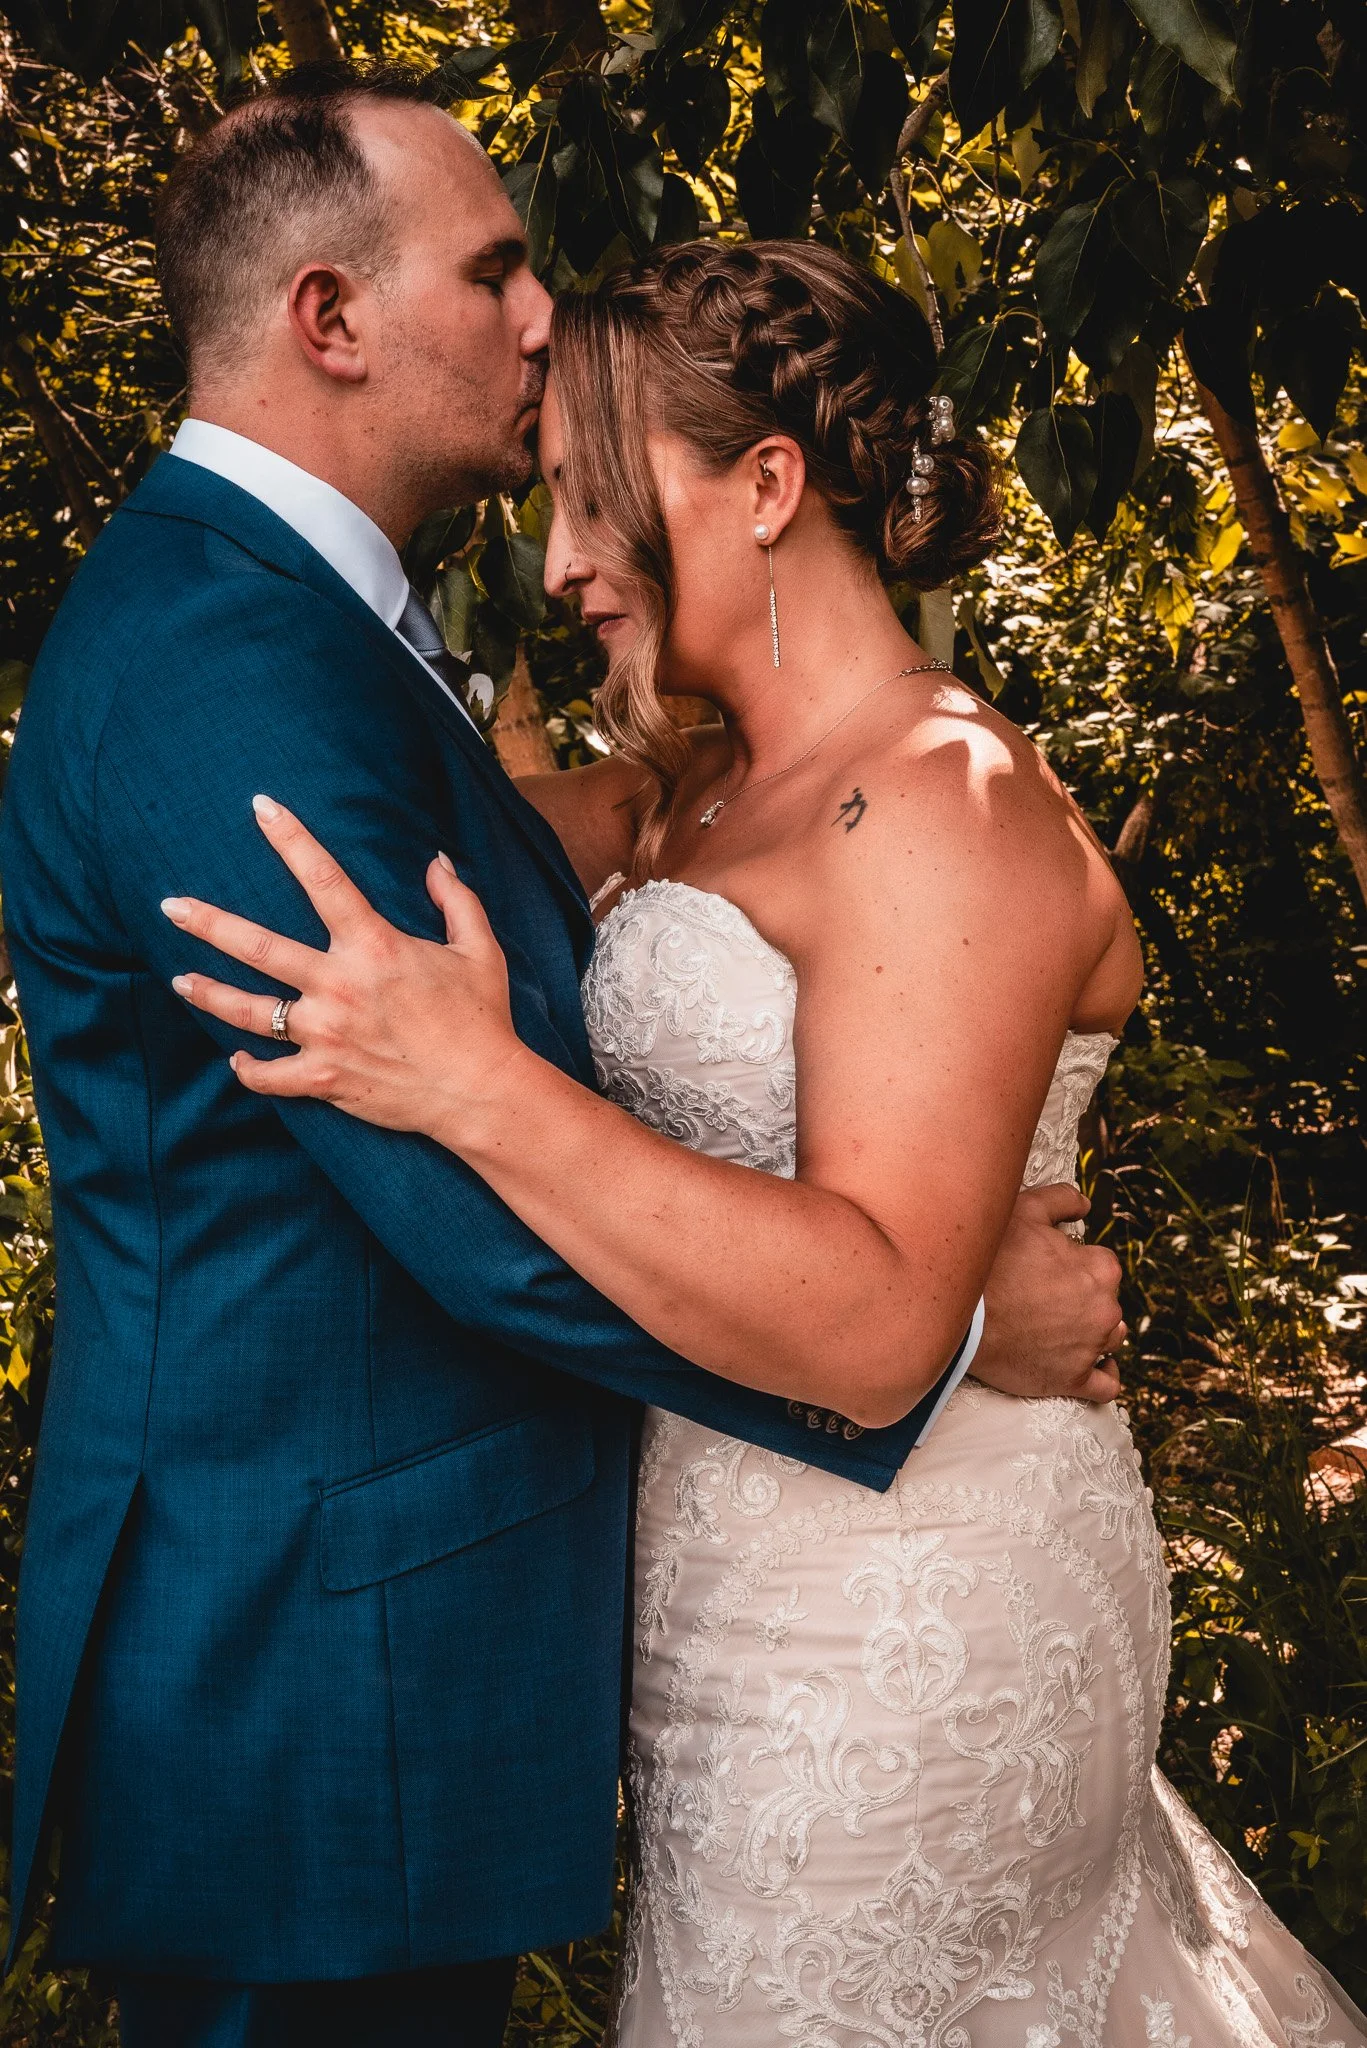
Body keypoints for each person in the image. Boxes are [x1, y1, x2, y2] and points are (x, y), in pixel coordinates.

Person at [0, 66, 1126, 2048]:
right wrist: (934, 1326)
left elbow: (523, 923)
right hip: (313, 1674)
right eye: (497, 268)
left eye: (618, 513)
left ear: (765, 484)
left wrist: (905, 1290)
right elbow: (454, 1208)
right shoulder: (226, 660)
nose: (540, 318)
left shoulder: (333, 642)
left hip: (559, 1641)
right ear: (330, 319)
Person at [171, 238, 1367, 2046]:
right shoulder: (689, 793)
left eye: (594, 506)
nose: (561, 567)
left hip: (906, 1622)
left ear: (769, 486)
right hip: (729, 1614)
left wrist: (477, 1083)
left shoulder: (939, 806)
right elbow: (390, 804)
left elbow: (885, 1319)